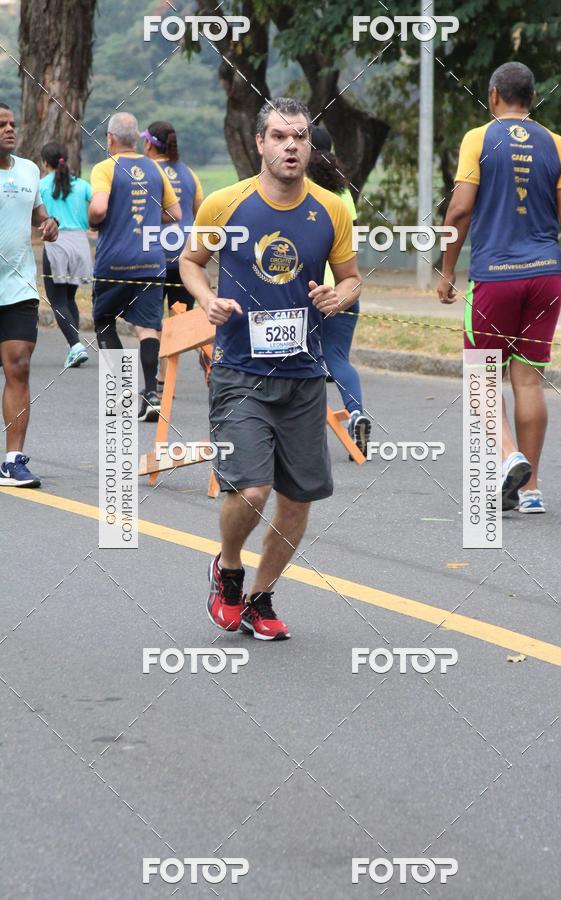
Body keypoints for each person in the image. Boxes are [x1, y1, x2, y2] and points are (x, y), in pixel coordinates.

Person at [180, 97, 361, 640]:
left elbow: (352, 278)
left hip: (304, 374)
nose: (291, 146)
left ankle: (261, 597)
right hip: (240, 372)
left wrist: (339, 294)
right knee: (252, 490)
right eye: (280, 136)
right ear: (259, 143)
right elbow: (190, 262)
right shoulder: (225, 203)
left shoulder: (333, 209)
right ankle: (229, 570)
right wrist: (205, 299)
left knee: (298, 500)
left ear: (310, 145)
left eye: (300, 137)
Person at [437, 62, 561, 514]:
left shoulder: (479, 139)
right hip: (546, 277)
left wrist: (447, 270)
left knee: (481, 377)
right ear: (531, 97)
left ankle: (509, 457)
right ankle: (531, 491)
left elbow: (459, 212)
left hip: (494, 277)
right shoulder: (557, 144)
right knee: (528, 380)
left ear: (493, 96)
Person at [88, 112, 181, 421]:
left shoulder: (106, 168)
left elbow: (99, 208)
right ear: (136, 139)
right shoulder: (155, 169)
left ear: (111, 139)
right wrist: (149, 221)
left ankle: (120, 394)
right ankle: (152, 393)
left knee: (103, 319)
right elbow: (175, 212)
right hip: (152, 262)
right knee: (148, 327)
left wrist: (93, 220)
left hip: (114, 263)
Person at [0, 103, 58, 488]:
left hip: (18, 286)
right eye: (1, 125)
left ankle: (12, 460)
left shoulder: (29, 170)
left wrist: (49, 223)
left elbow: (40, 214)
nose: (10, 130)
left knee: (18, 366)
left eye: (12, 123)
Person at [307, 126, 371, 455]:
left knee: (300, 361)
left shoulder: (299, 189)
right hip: (345, 287)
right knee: (338, 359)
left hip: (312, 288)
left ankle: (301, 434)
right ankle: (356, 412)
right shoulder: (343, 191)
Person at [141, 120, 203, 395]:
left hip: (153, 254)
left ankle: (154, 382)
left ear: (149, 144)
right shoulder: (189, 173)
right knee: (177, 320)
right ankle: (167, 380)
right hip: (186, 256)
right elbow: (200, 211)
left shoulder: (147, 172)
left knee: (150, 321)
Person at [40, 141, 93, 368]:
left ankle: (75, 346)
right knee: (69, 298)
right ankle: (73, 346)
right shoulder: (82, 185)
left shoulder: (41, 185)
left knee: (57, 300)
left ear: (44, 163)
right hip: (80, 244)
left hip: (56, 243)